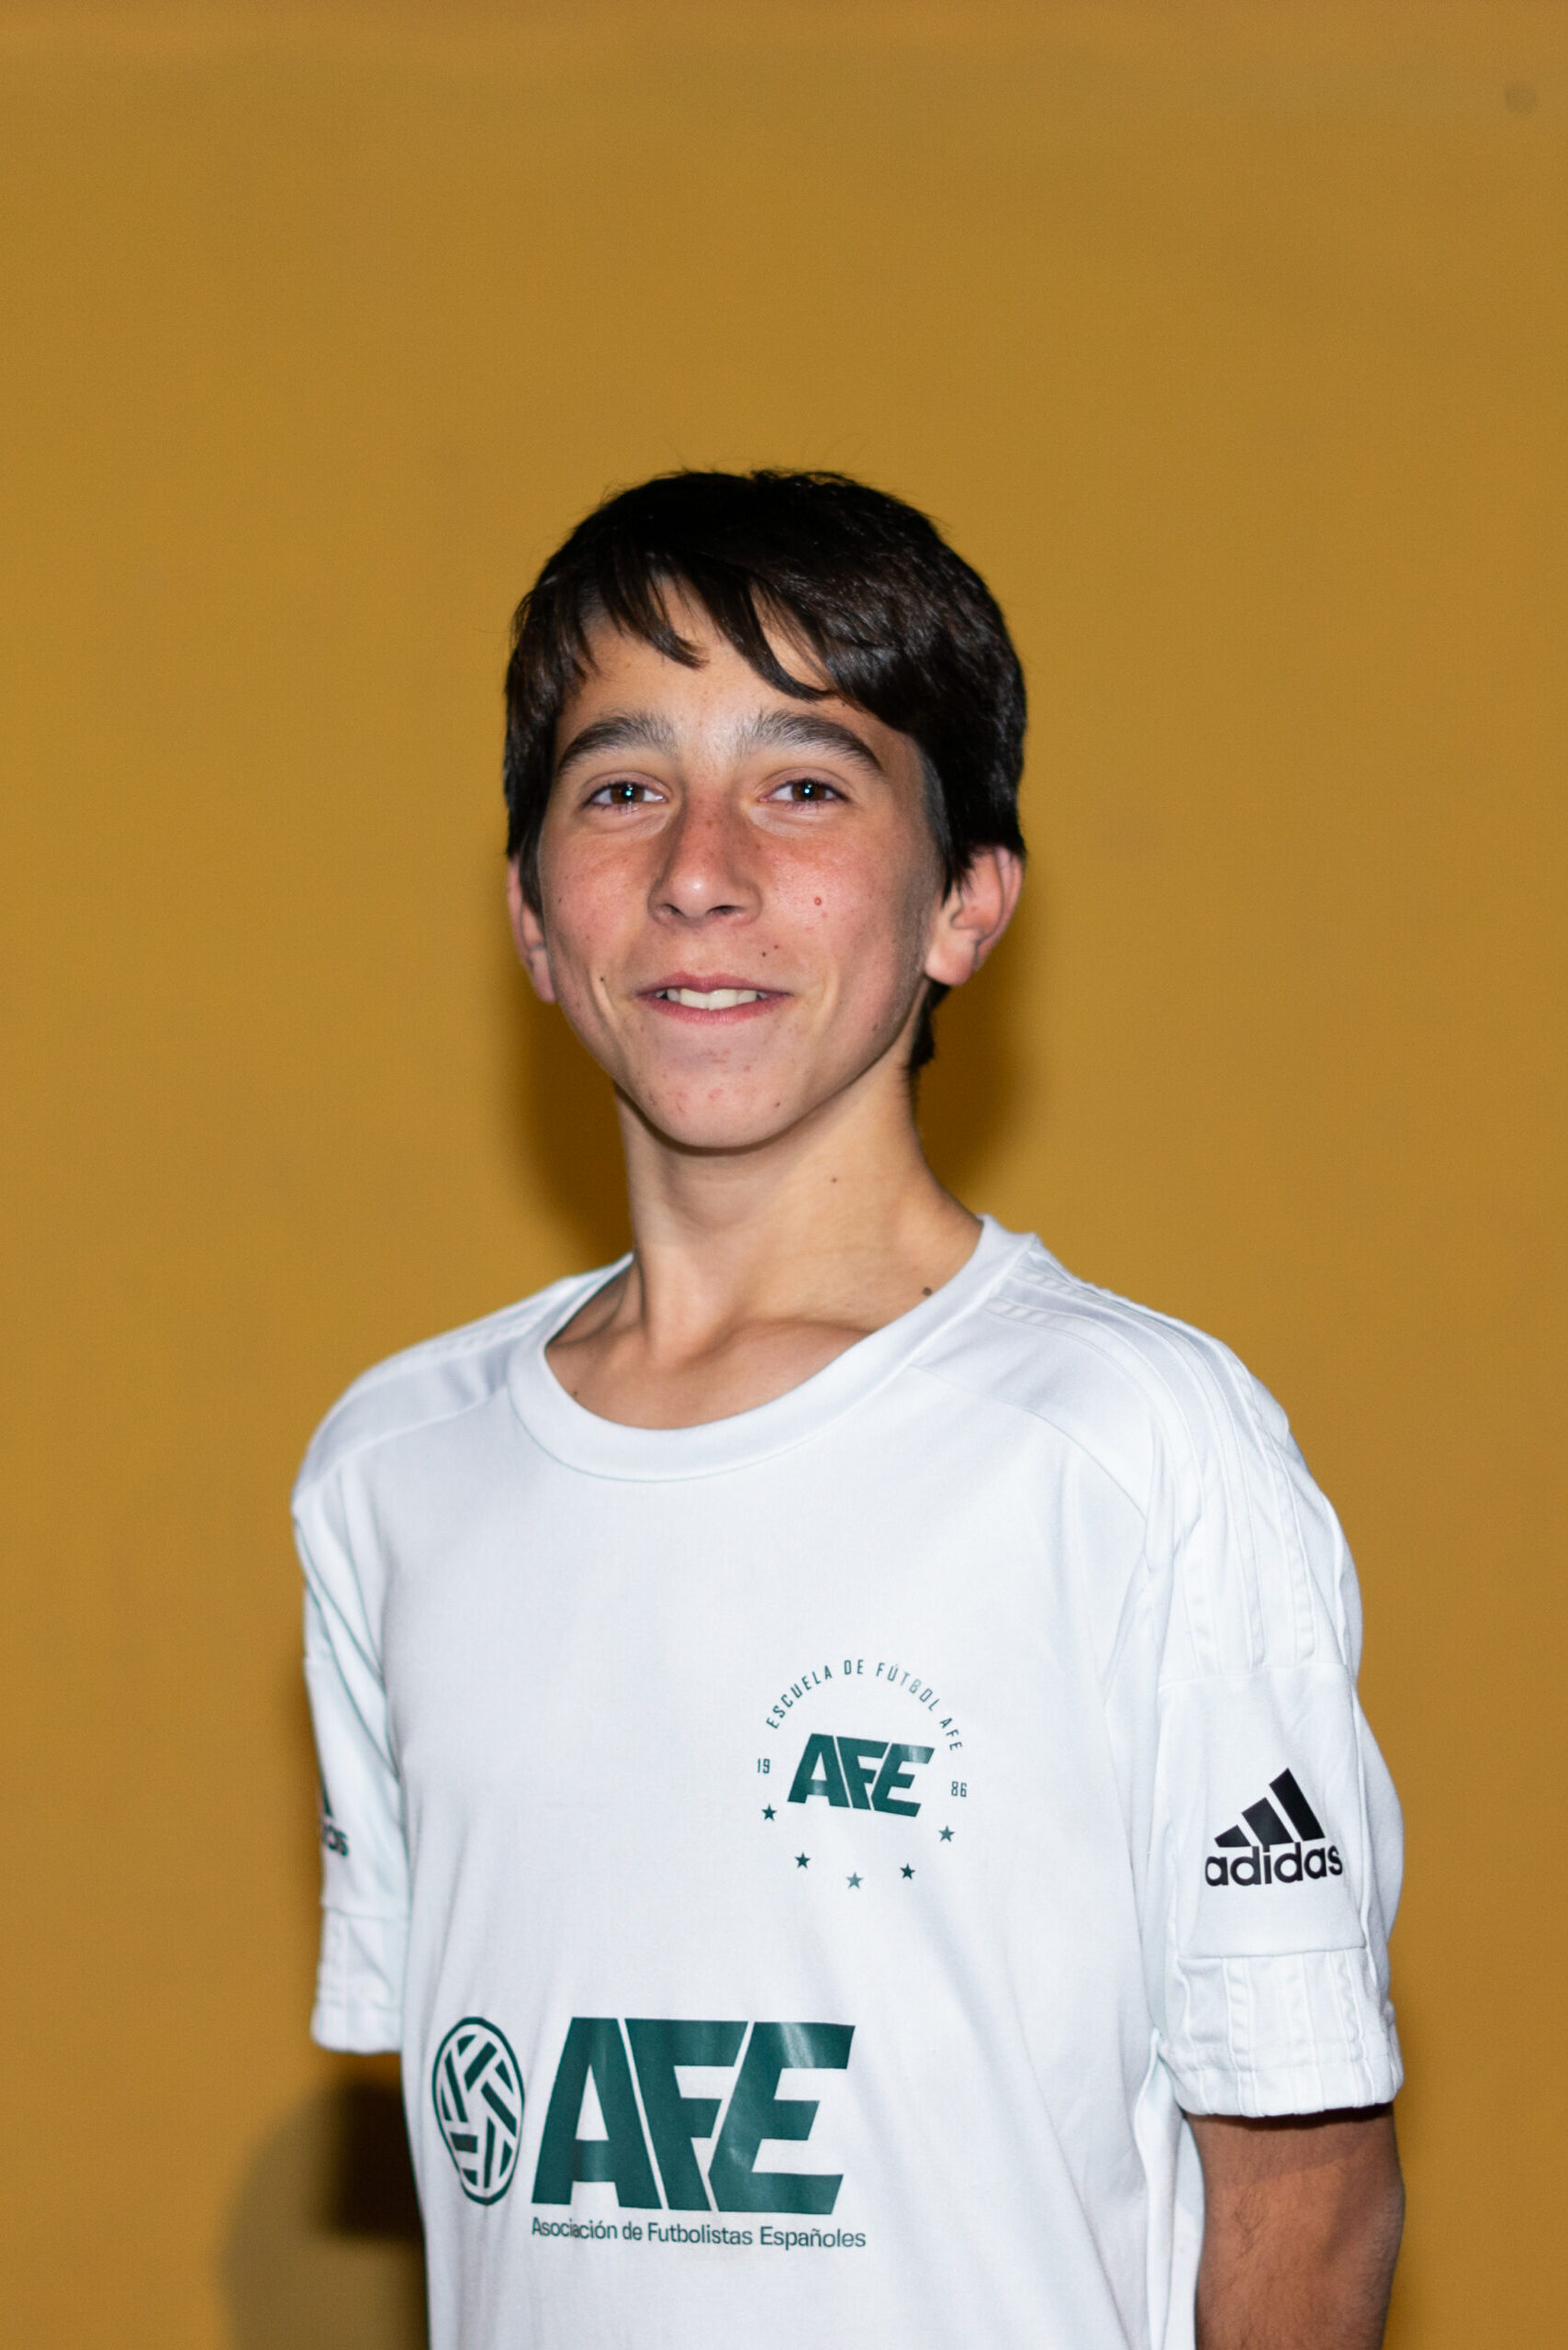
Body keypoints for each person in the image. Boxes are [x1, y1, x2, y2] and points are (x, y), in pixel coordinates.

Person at [294, 469, 1405, 2350]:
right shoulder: (392, 1473)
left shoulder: (1133, 1446)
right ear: (532, 917)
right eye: (620, 787)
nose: (698, 868)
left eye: (804, 784)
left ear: (965, 901)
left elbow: (1306, 2189)